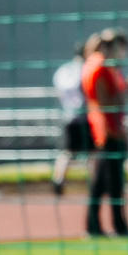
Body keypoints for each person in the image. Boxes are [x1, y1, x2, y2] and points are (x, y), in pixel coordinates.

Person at [81, 28, 128, 237]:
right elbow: (107, 101)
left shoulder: (102, 65)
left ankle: (98, 226)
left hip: (105, 128)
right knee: (110, 182)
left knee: (104, 182)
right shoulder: (101, 66)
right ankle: (112, 226)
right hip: (108, 130)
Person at [50, 42, 89, 196]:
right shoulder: (85, 69)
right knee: (94, 152)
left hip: (69, 115)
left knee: (68, 151)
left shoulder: (63, 70)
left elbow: (59, 92)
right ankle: (97, 182)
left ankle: (58, 179)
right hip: (85, 116)